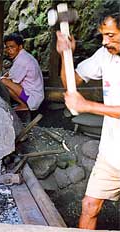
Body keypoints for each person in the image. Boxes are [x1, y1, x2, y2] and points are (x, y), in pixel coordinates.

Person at [56, 6, 120, 230]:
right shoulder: (106, 55)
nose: (104, 41)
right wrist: (66, 54)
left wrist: (87, 106)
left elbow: (83, 103)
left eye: (110, 35)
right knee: (90, 205)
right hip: (112, 155)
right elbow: (71, 82)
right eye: (102, 35)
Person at [0, 33, 44, 111]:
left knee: (3, 81)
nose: (9, 50)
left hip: (31, 98)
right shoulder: (24, 56)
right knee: (5, 82)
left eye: (12, 47)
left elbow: (10, 80)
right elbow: (10, 74)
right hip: (33, 96)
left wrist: (4, 79)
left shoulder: (22, 60)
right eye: (7, 47)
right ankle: (23, 104)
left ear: (20, 47)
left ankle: (23, 105)